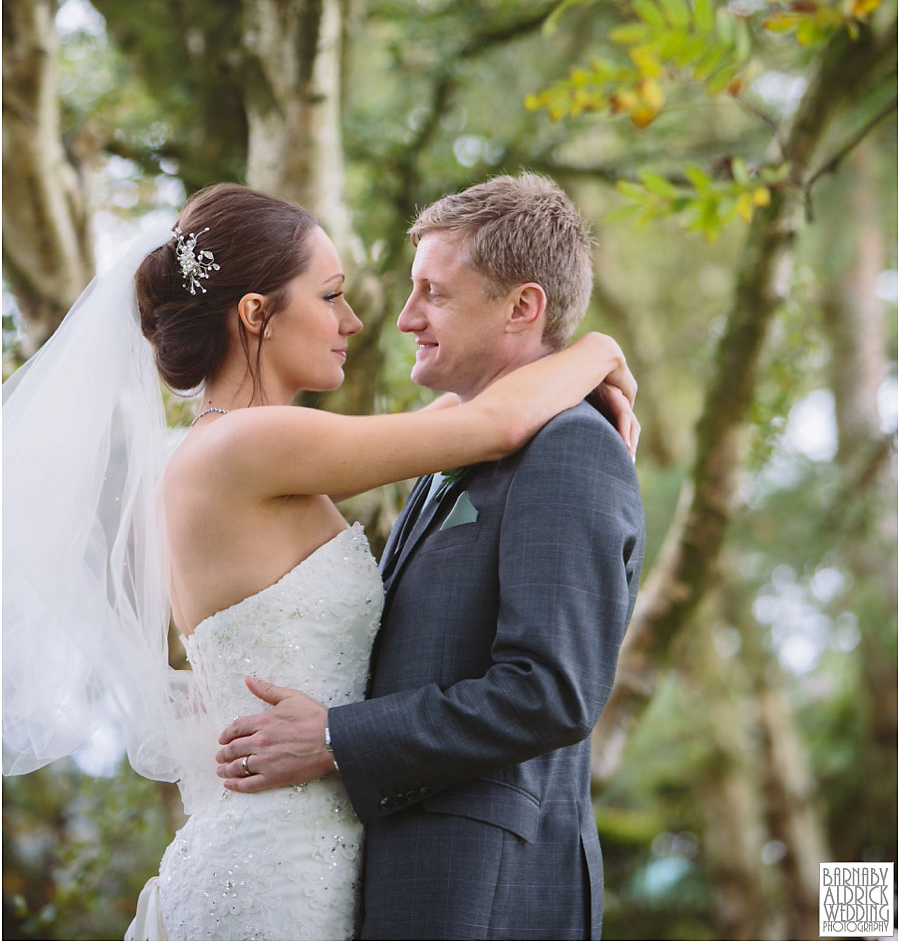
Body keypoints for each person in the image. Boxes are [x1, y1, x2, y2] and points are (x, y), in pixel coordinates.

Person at [2, 182, 637, 943]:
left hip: (324, 860)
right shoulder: (250, 446)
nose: (361, 321)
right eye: (330, 295)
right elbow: (494, 423)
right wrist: (598, 350)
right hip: (278, 874)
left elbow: (477, 418)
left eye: (429, 292)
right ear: (255, 313)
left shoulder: (245, 450)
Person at [214, 173, 645, 941]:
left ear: (523, 307)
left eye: (434, 294)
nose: (405, 318)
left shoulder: (572, 448)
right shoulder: (454, 443)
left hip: (481, 890)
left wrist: (337, 738)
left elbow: (551, 691)